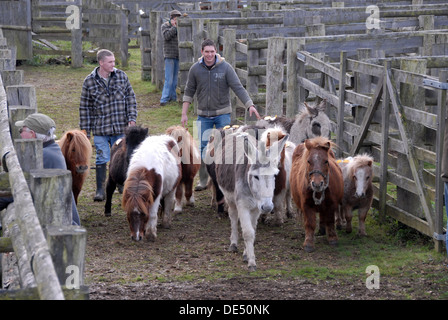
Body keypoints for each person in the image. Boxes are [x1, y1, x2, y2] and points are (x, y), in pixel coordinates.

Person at [181, 38, 261, 191]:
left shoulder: (226, 68)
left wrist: (249, 104)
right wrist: (184, 113)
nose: (210, 55)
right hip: (202, 115)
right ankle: (203, 181)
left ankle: (222, 178)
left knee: (224, 147)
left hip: (222, 114)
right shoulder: (195, 69)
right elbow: (189, 91)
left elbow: (238, 87)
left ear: (216, 51)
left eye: (212, 51)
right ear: (202, 52)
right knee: (204, 148)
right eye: (207, 52)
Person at [0, 113, 80, 226]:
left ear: (32, 134)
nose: (20, 134)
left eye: (21, 131)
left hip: (57, 225)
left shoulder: (42, 156)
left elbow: (26, 190)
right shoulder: (51, 149)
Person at [80, 49, 137, 201]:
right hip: (100, 129)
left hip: (120, 127)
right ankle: (100, 190)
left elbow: (131, 98)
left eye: (114, 61)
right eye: (110, 62)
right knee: (101, 158)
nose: (113, 64)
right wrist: (85, 131)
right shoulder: (89, 81)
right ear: (101, 63)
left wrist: (132, 118)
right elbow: (85, 108)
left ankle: (120, 183)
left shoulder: (121, 76)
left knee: (121, 156)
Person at [160, 9, 182, 106]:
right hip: (169, 55)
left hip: (177, 55)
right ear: (172, 18)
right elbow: (166, 36)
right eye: (176, 18)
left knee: (175, 79)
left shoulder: (179, 27)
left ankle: (173, 98)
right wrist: (174, 27)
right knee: (169, 79)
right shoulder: (165, 26)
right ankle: (164, 100)